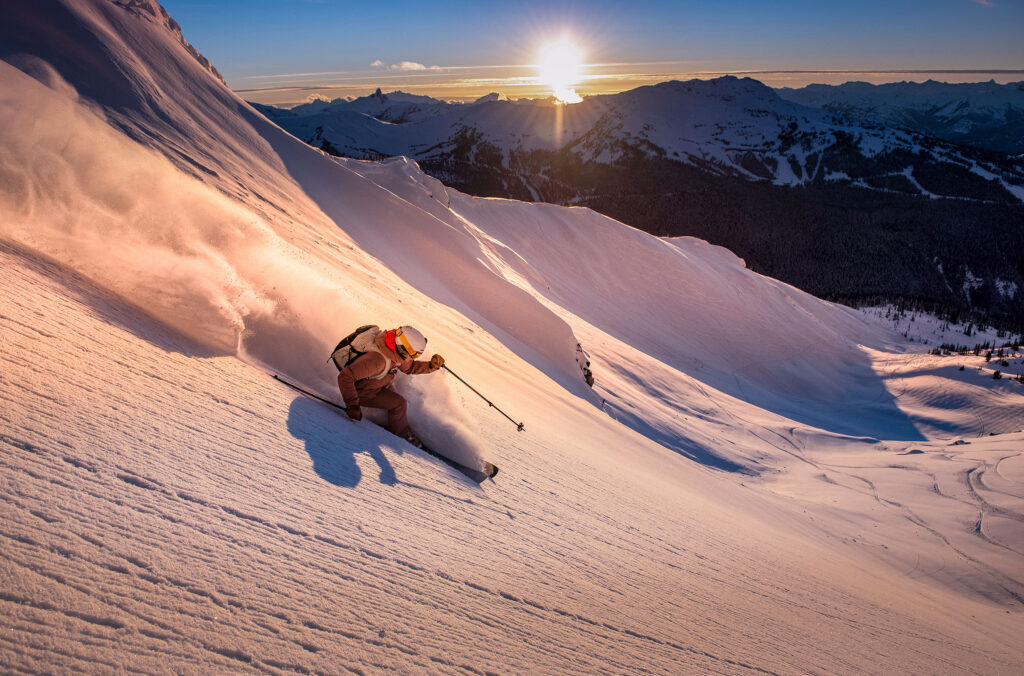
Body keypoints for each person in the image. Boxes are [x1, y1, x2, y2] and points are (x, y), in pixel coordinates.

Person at [337, 326, 444, 447]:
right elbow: (345, 376)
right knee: (399, 404)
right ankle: (399, 436)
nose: (411, 358)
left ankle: (398, 426)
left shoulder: (394, 349)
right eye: (413, 355)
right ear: (403, 348)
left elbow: (409, 367)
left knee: (399, 400)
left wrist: (431, 366)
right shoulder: (377, 361)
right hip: (363, 393)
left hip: (377, 383)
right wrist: (352, 405)